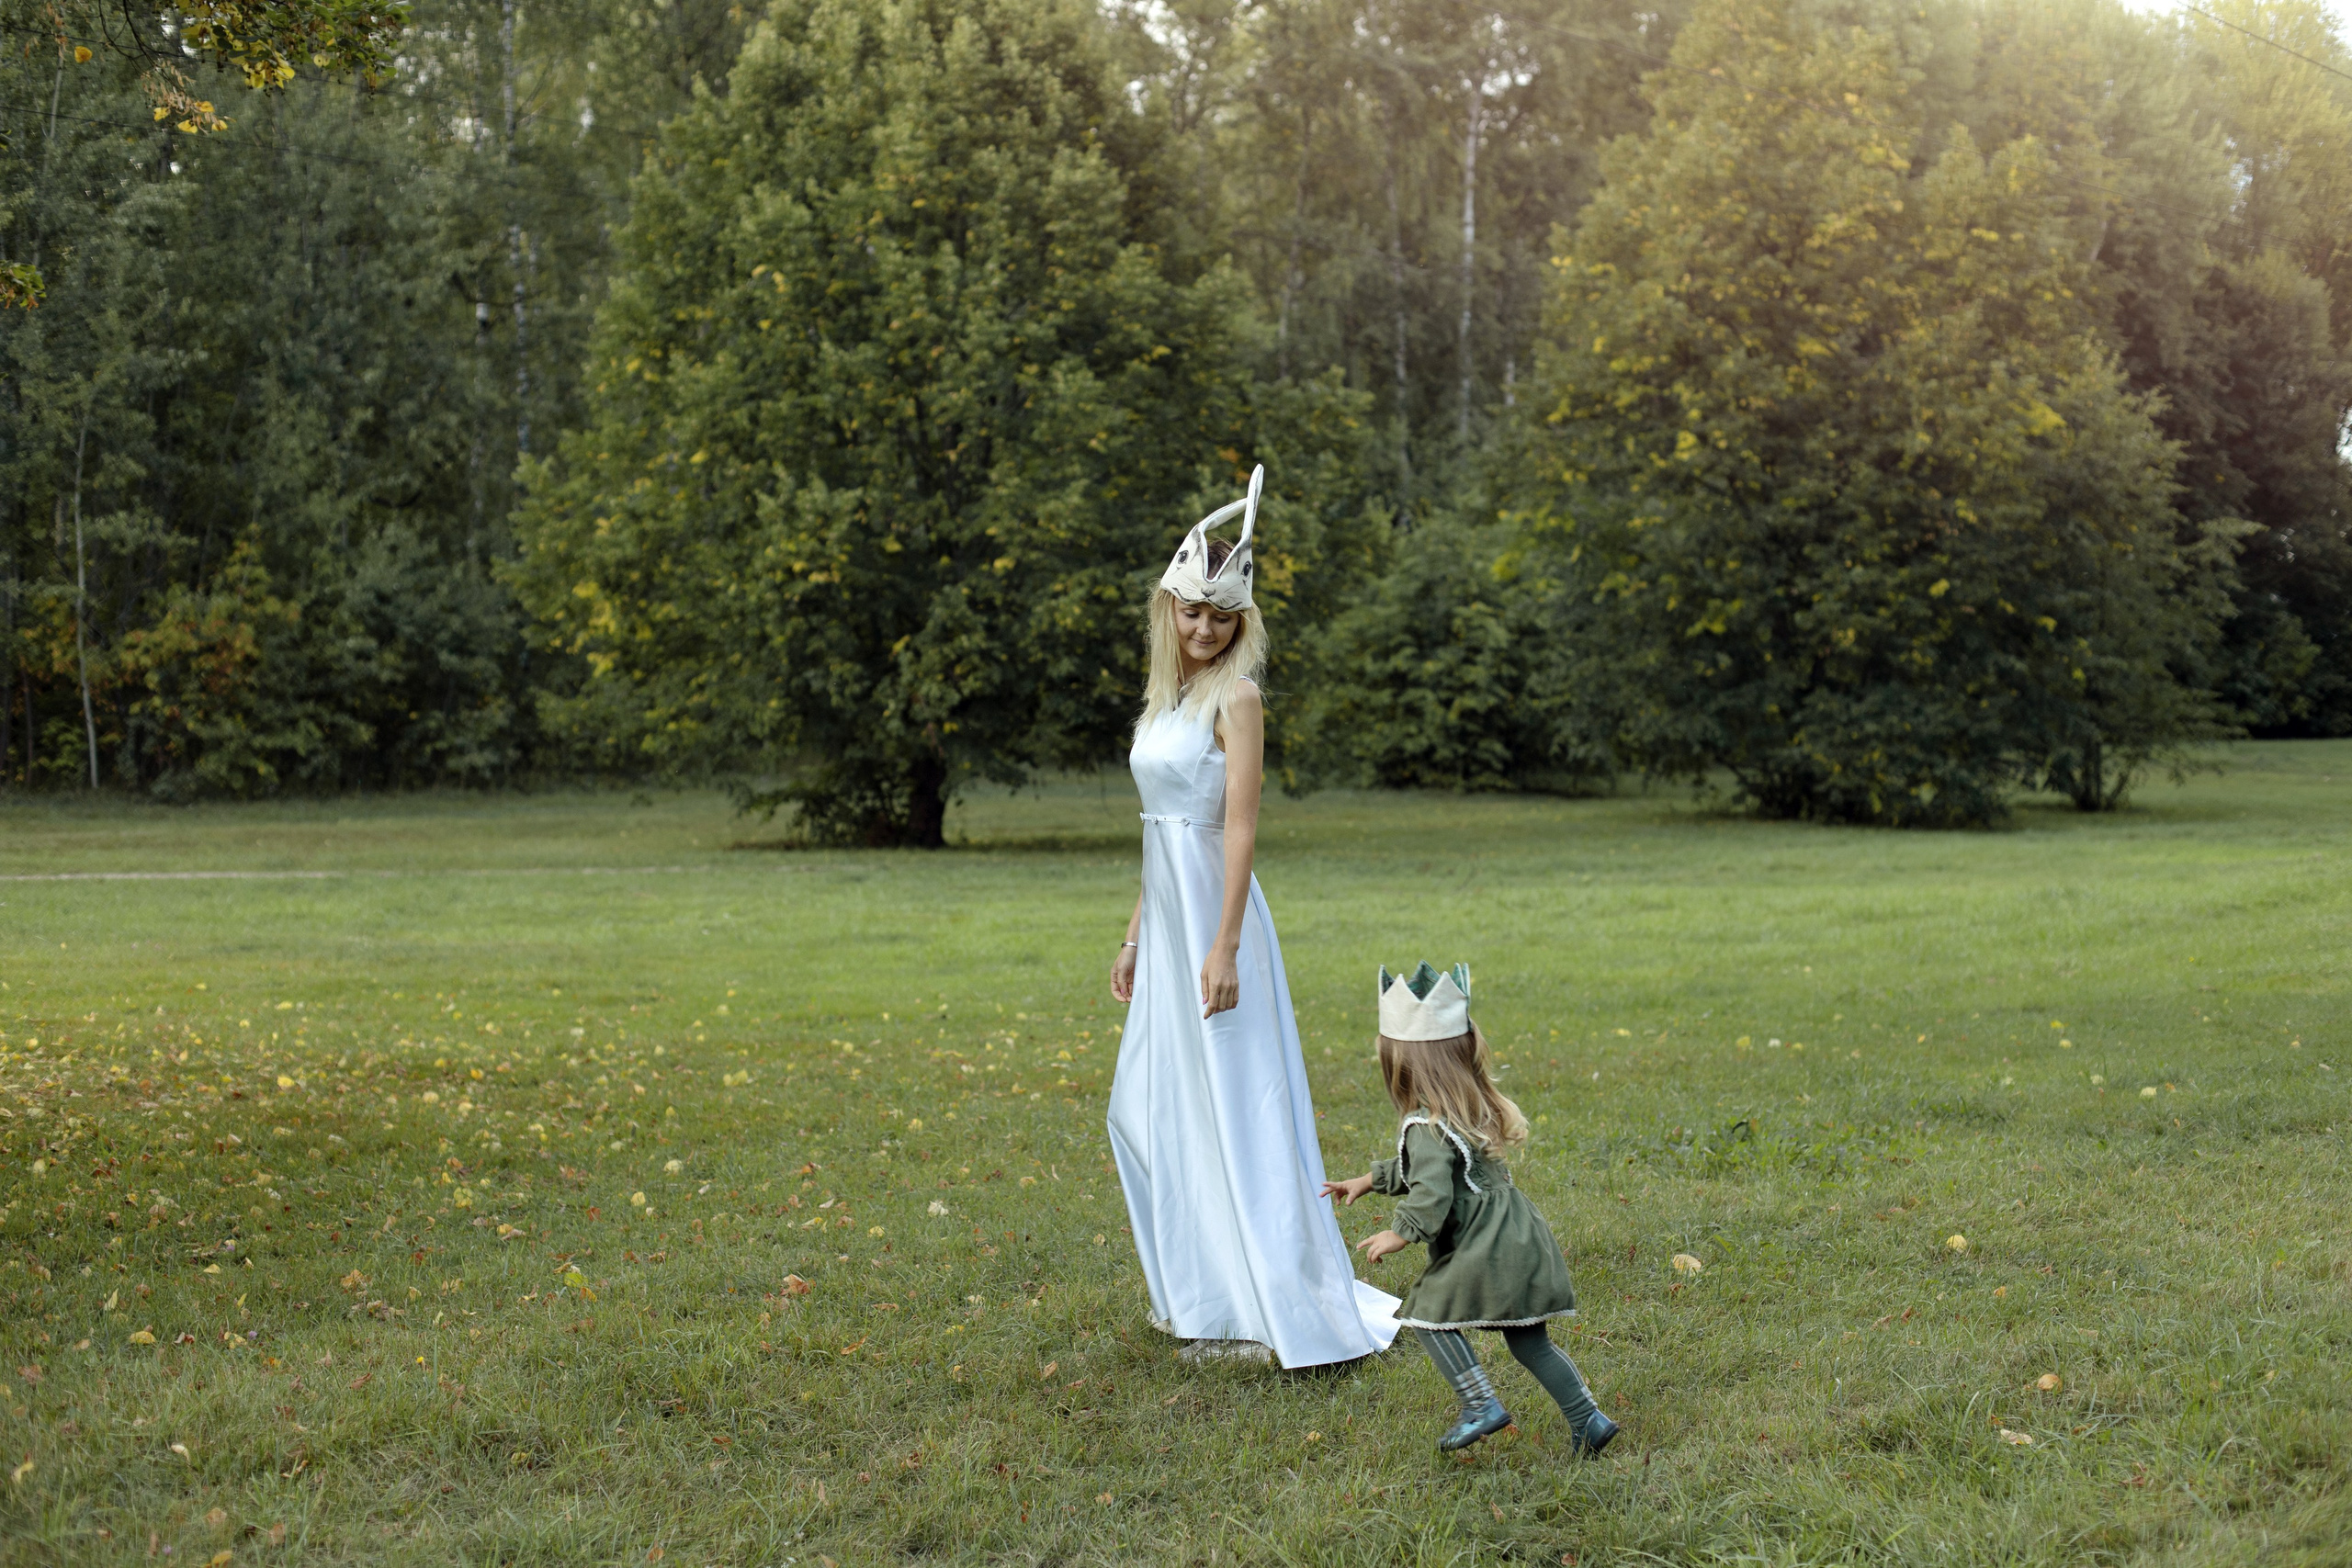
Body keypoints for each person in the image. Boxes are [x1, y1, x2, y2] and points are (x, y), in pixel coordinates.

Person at [1106, 465, 1401, 1368]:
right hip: (1167, 928)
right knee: (1149, 1109)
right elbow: (1159, 831)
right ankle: (1204, 1290)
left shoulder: (1236, 698)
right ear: (1170, 609)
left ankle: (1266, 1298)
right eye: (1191, 611)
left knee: (1236, 1107)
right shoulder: (1167, 698)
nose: (1204, 629)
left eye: (1220, 616)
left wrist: (1222, 945)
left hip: (1218, 928)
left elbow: (1235, 827)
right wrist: (1134, 933)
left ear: (1240, 621)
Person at [1322, 962, 1620, 1456]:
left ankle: (1480, 1405)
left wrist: (1402, 1231)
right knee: (1529, 1342)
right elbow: (1430, 1171)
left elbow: (1433, 1193)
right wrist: (1369, 1181)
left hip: (1485, 1246)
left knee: (1426, 1313)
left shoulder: (1423, 1124)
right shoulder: (1464, 1109)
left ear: (1401, 1068)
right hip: (1517, 1238)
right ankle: (1588, 1419)